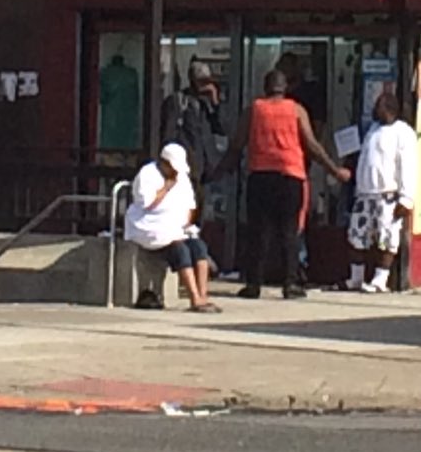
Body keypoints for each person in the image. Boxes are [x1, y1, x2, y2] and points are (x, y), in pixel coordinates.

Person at [221, 68, 349, 300]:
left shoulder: (254, 109)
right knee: (289, 233)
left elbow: (236, 145)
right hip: (290, 176)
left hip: (260, 176)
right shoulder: (297, 110)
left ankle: (253, 284)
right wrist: (335, 170)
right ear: (285, 88)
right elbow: (312, 146)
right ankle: (290, 284)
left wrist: (217, 172)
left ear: (265, 87)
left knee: (258, 232)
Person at [123, 141, 220, 313]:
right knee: (180, 250)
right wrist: (166, 187)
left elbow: (190, 205)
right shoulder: (147, 174)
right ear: (164, 163)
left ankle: (203, 296)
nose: (175, 173)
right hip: (150, 226)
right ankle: (194, 299)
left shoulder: (182, 177)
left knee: (199, 248)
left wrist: (185, 223)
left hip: (176, 227)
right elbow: (147, 203)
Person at [346, 88, 417, 293]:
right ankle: (356, 279)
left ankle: (380, 280)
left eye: (379, 107)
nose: (375, 110)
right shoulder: (373, 130)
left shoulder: (403, 132)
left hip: (388, 195)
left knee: (387, 239)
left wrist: (406, 198)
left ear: (389, 109)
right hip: (365, 194)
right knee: (357, 236)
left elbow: (408, 166)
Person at [159, 59, 226, 186]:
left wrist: (215, 103)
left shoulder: (207, 104)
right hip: (186, 160)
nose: (205, 85)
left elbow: (221, 128)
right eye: (201, 81)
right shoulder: (178, 101)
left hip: (205, 166)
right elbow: (168, 133)